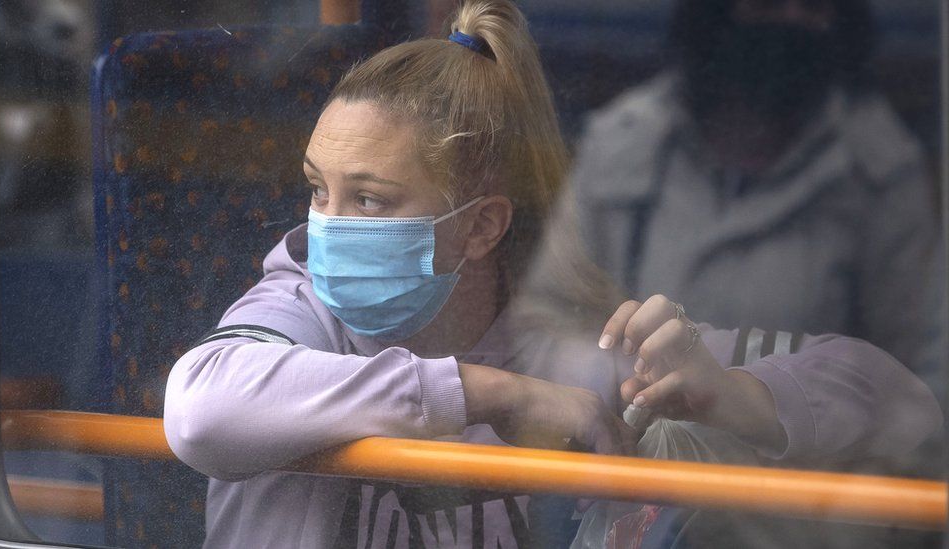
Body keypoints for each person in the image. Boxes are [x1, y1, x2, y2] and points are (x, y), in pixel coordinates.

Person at [162, 1, 941, 547]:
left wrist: (737, 398)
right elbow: (202, 405)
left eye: (368, 199)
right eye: (316, 188)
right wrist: (491, 391)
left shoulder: (575, 342)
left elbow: (902, 401)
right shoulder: (299, 305)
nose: (325, 225)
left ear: (481, 227)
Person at [561, 0, 947, 410]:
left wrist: (790, 419)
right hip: (631, 456)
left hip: (802, 468)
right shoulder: (626, 140)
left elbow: (923, 379)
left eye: (813, 8)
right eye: (767, 4)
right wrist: (607, 383)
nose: (791, 20)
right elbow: (547, 321)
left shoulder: (878, 170)